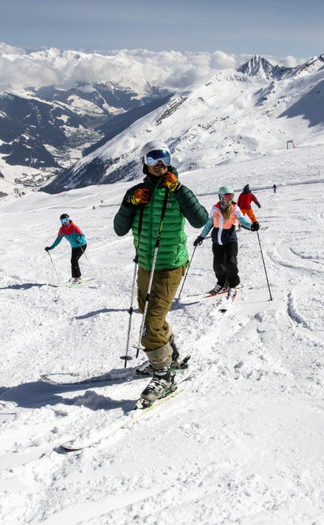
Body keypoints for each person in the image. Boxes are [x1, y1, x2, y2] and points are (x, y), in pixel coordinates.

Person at [113, 140, 207, 404]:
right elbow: (119, 229)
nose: (159, 164)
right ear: (144, 162)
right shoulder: (136, 192)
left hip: (171, 264)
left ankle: (164, 375)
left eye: (163, 157)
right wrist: (130, 204)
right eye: (153, 158)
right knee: (149, 313)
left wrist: (179, 190)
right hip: (145, 263)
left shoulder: (178, 191)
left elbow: (200, 220)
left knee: (151, 323)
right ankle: (170, 355)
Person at [194, 185, 260, 296]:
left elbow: (242, 221)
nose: (230, 198)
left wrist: (251, 226)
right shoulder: (214, 208)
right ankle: (222, 283)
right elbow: (209, 223)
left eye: (232, 196)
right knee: (217, 265)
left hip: (230, 241)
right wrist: (201, 236)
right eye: (227, 196)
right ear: (221, 197)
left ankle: (234, 284)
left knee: (230, 262)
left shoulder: (235, 208)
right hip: (217, 242)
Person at [45, 213, 88, 283]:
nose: (65, 222)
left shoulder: (74, 227)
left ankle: (77, 277)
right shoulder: (62, 230)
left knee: (74, 260)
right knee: (72, 261)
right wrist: (51, 247)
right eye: (62, 221)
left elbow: (82, 235)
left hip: (82, 245)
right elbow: (58, 239)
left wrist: (80, 240)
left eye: (66, 220)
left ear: (68, 220)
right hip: (74, 247)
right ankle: (75, 277)